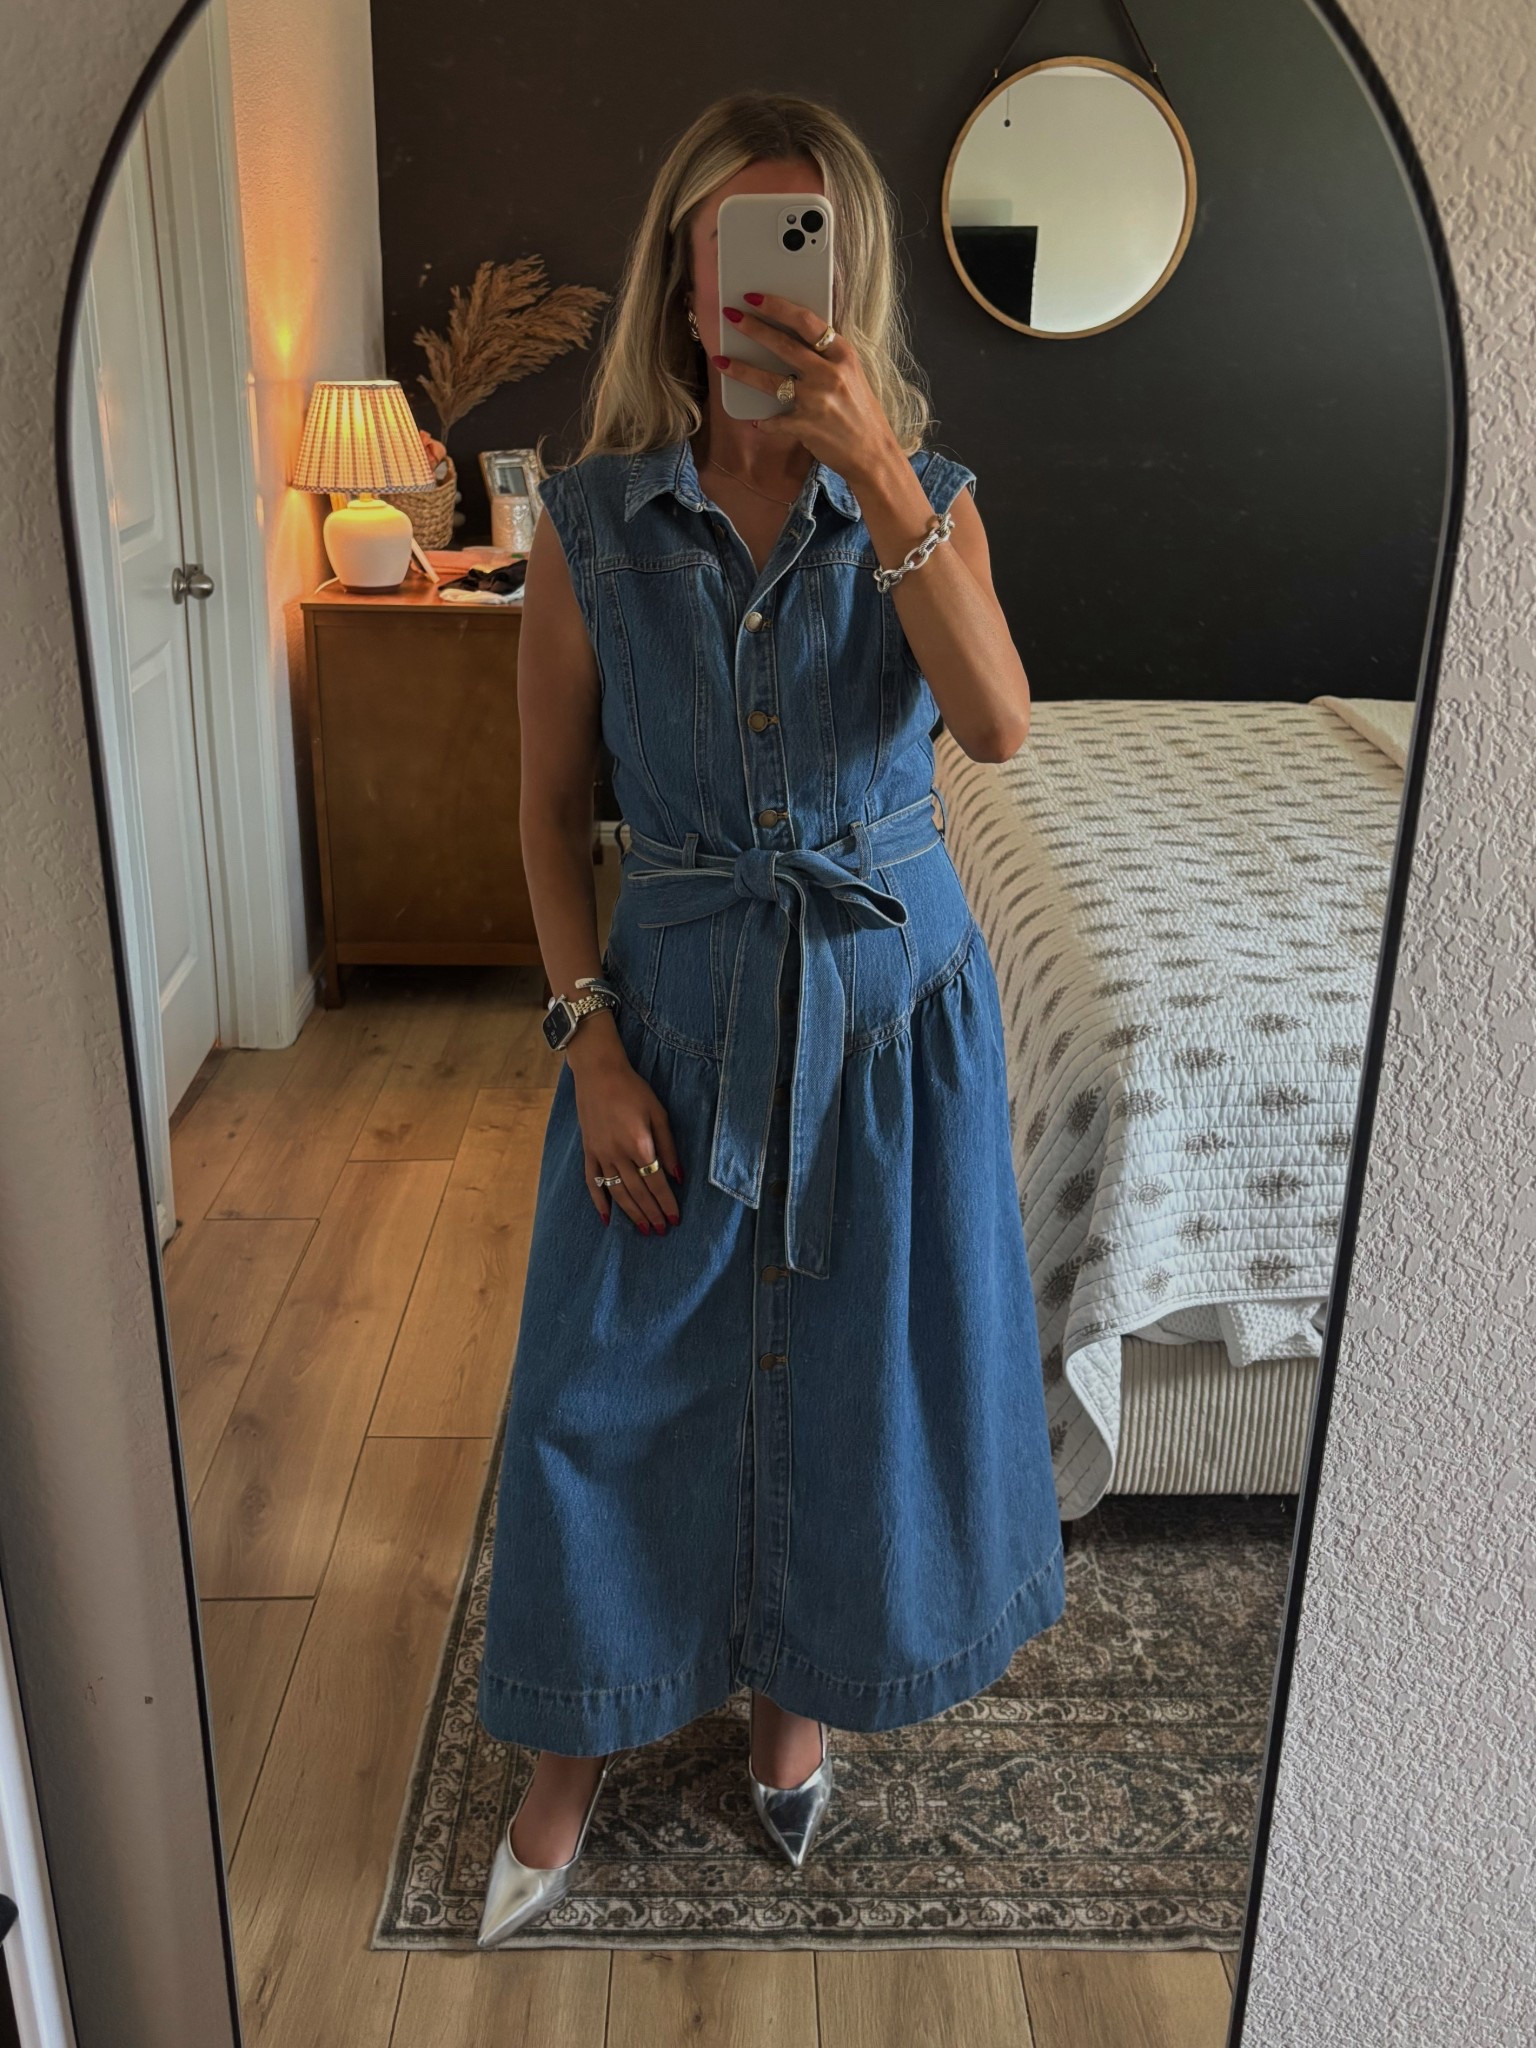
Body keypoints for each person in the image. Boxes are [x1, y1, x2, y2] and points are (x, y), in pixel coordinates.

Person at [474, 88, 1066, 1946]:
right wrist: (586, 1043)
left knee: (854, 1377)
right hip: (669, 1008)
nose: (763, 289)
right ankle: (569, 1745)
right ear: (682, 274)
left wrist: (879, 476)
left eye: (801, 246)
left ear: (849, 276)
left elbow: (998, 726)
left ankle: (794, 1716)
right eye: (731, 245)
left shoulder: (926, 502)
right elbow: (545, 811)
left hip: (891, 1032)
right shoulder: (591, 525)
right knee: (598, 1389)